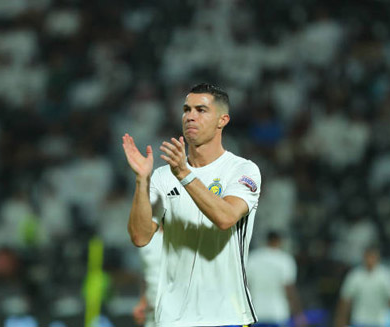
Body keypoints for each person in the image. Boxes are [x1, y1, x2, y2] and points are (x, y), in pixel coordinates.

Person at [122, 83, 262, 327]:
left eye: (201, 110)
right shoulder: (162, 176)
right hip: (171, 320)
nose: (190, 116)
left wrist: (184, 175)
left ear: (222, 120)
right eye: (186, 110)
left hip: (226, 317)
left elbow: (226, 217)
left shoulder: (242, 170)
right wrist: (141, 180)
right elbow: (140, 236)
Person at [247, 231, 306, 327]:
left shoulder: (253, 258)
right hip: (278, 312)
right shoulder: (285, 260)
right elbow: (289, 289)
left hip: (256, 312)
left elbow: (247, 286)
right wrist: (298, 313)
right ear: (279, 241)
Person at [334, 246, 390, 327]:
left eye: (373, 257)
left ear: (378, 258)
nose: (370, 260)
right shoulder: (355, 275)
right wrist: (340, 320)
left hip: (381, 321)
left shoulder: (386, 276)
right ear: (364, 257)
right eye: (368, 257)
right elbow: (345, 300)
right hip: (359, 320)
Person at [133, 227, 163, 327]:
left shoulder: (192, 230)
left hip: (182, 316)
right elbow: (146, 272)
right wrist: (143, 301)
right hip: (152, 316)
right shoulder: (146, 228)